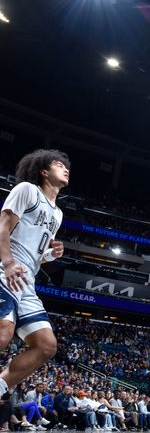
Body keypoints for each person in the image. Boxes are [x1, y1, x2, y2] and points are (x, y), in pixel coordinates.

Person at [0, 150, 69, 399]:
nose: (65, 168)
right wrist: (7, 262)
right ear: (43, 171)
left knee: (46, 345)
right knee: (4, 334)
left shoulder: (57, 214)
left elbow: (38, 253)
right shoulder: (27, 190)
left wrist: (52, 253)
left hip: (27, 279)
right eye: (58, 164)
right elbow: (3, 226)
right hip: (6, 269)